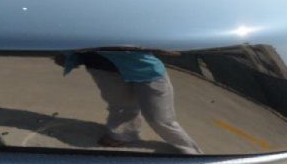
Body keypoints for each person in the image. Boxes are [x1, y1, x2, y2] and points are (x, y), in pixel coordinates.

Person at [62, 51, 202, 155]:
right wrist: (70, 54)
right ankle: (124, 134)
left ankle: (192, 152)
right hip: (100, 65)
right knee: (120, 105)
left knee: (160, 119)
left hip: (146, 70)